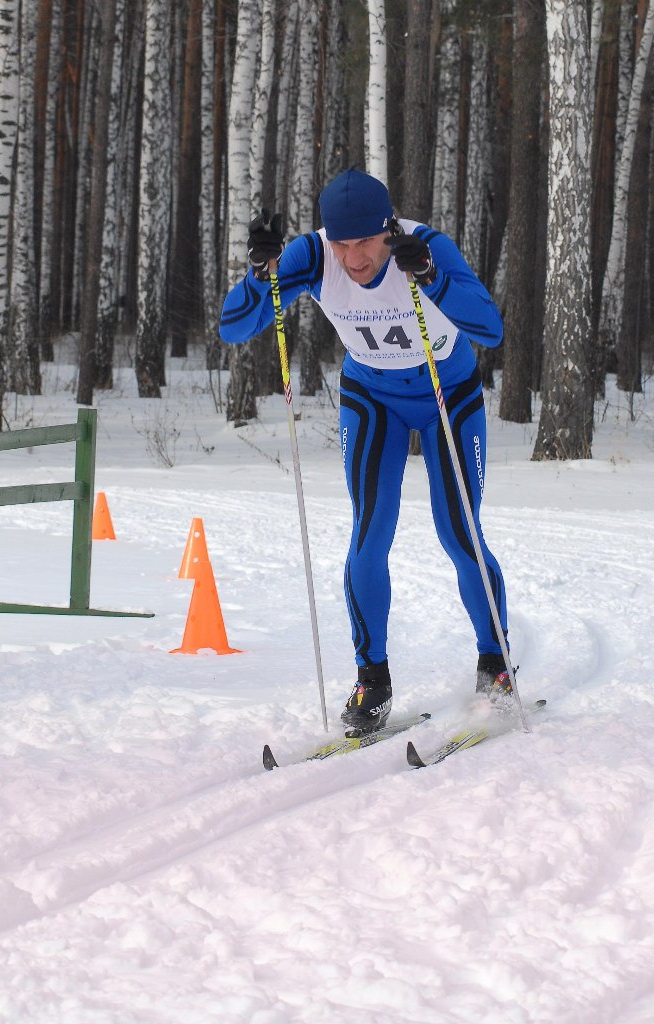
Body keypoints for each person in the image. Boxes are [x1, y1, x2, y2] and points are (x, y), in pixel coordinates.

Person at [220, 168, 512, 734]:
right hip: (372, 396)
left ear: (388, 228)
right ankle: (371, 679)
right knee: (369, 534)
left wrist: (430, 278)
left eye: (366, 243)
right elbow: (234, 328)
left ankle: (495, 664)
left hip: (446, 394)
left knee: (460, 531)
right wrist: (261, 276)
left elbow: (491, 329)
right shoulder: (313, 254)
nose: (354, 260)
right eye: (342, 244)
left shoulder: (424, 246)